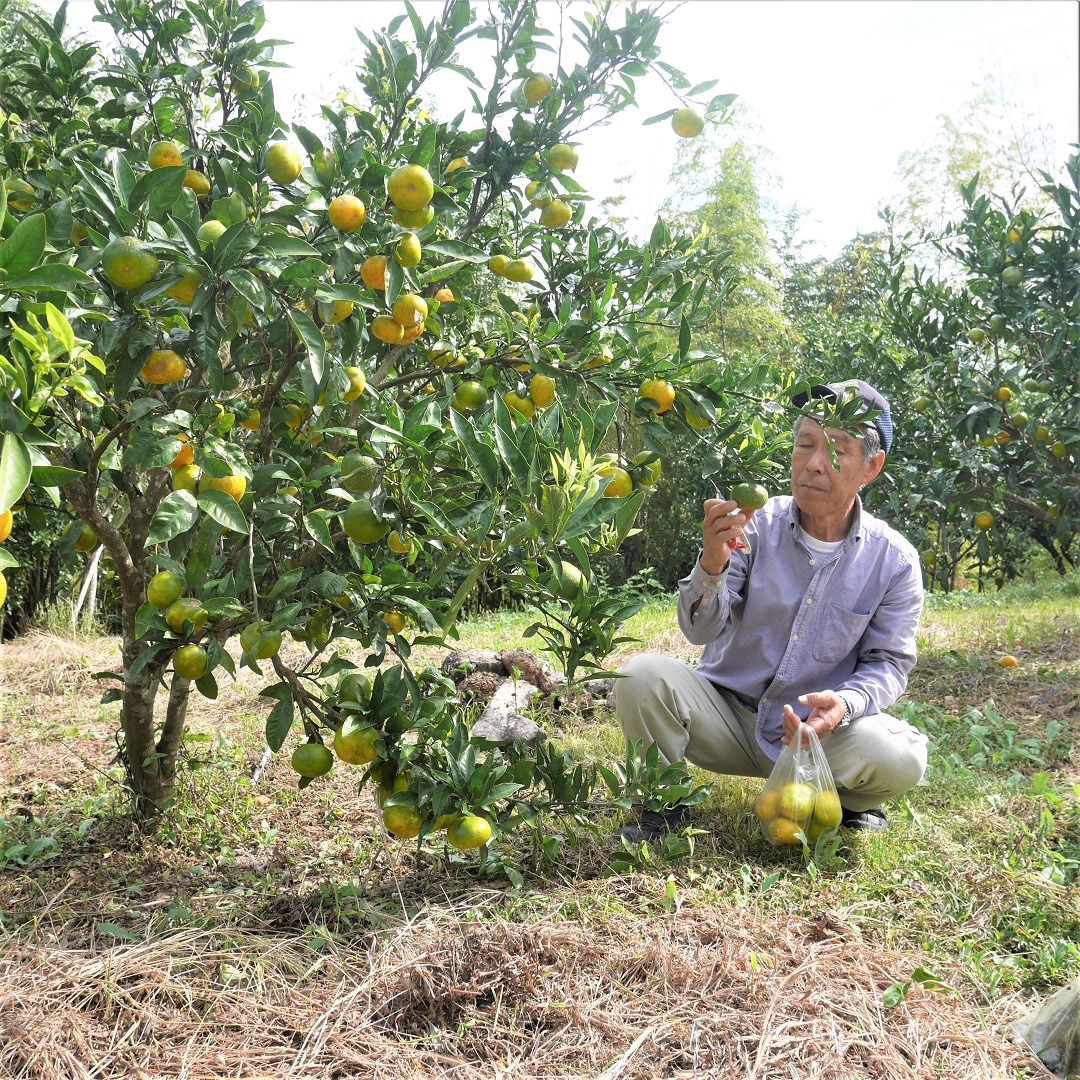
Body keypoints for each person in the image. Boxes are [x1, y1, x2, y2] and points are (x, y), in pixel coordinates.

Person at [615, 380, 928, 842]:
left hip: (818, 735)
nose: (815, 464)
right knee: (640, 676)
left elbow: (888, 664)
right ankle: (662, 803)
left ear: (872, 466)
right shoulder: (753, 525)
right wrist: (713, 563)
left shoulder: (893, 561)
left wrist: (843, 706)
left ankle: (849, 800)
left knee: (902, 757)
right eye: (805, 444)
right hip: (726, 718)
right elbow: (699, 630)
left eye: (837, 449)